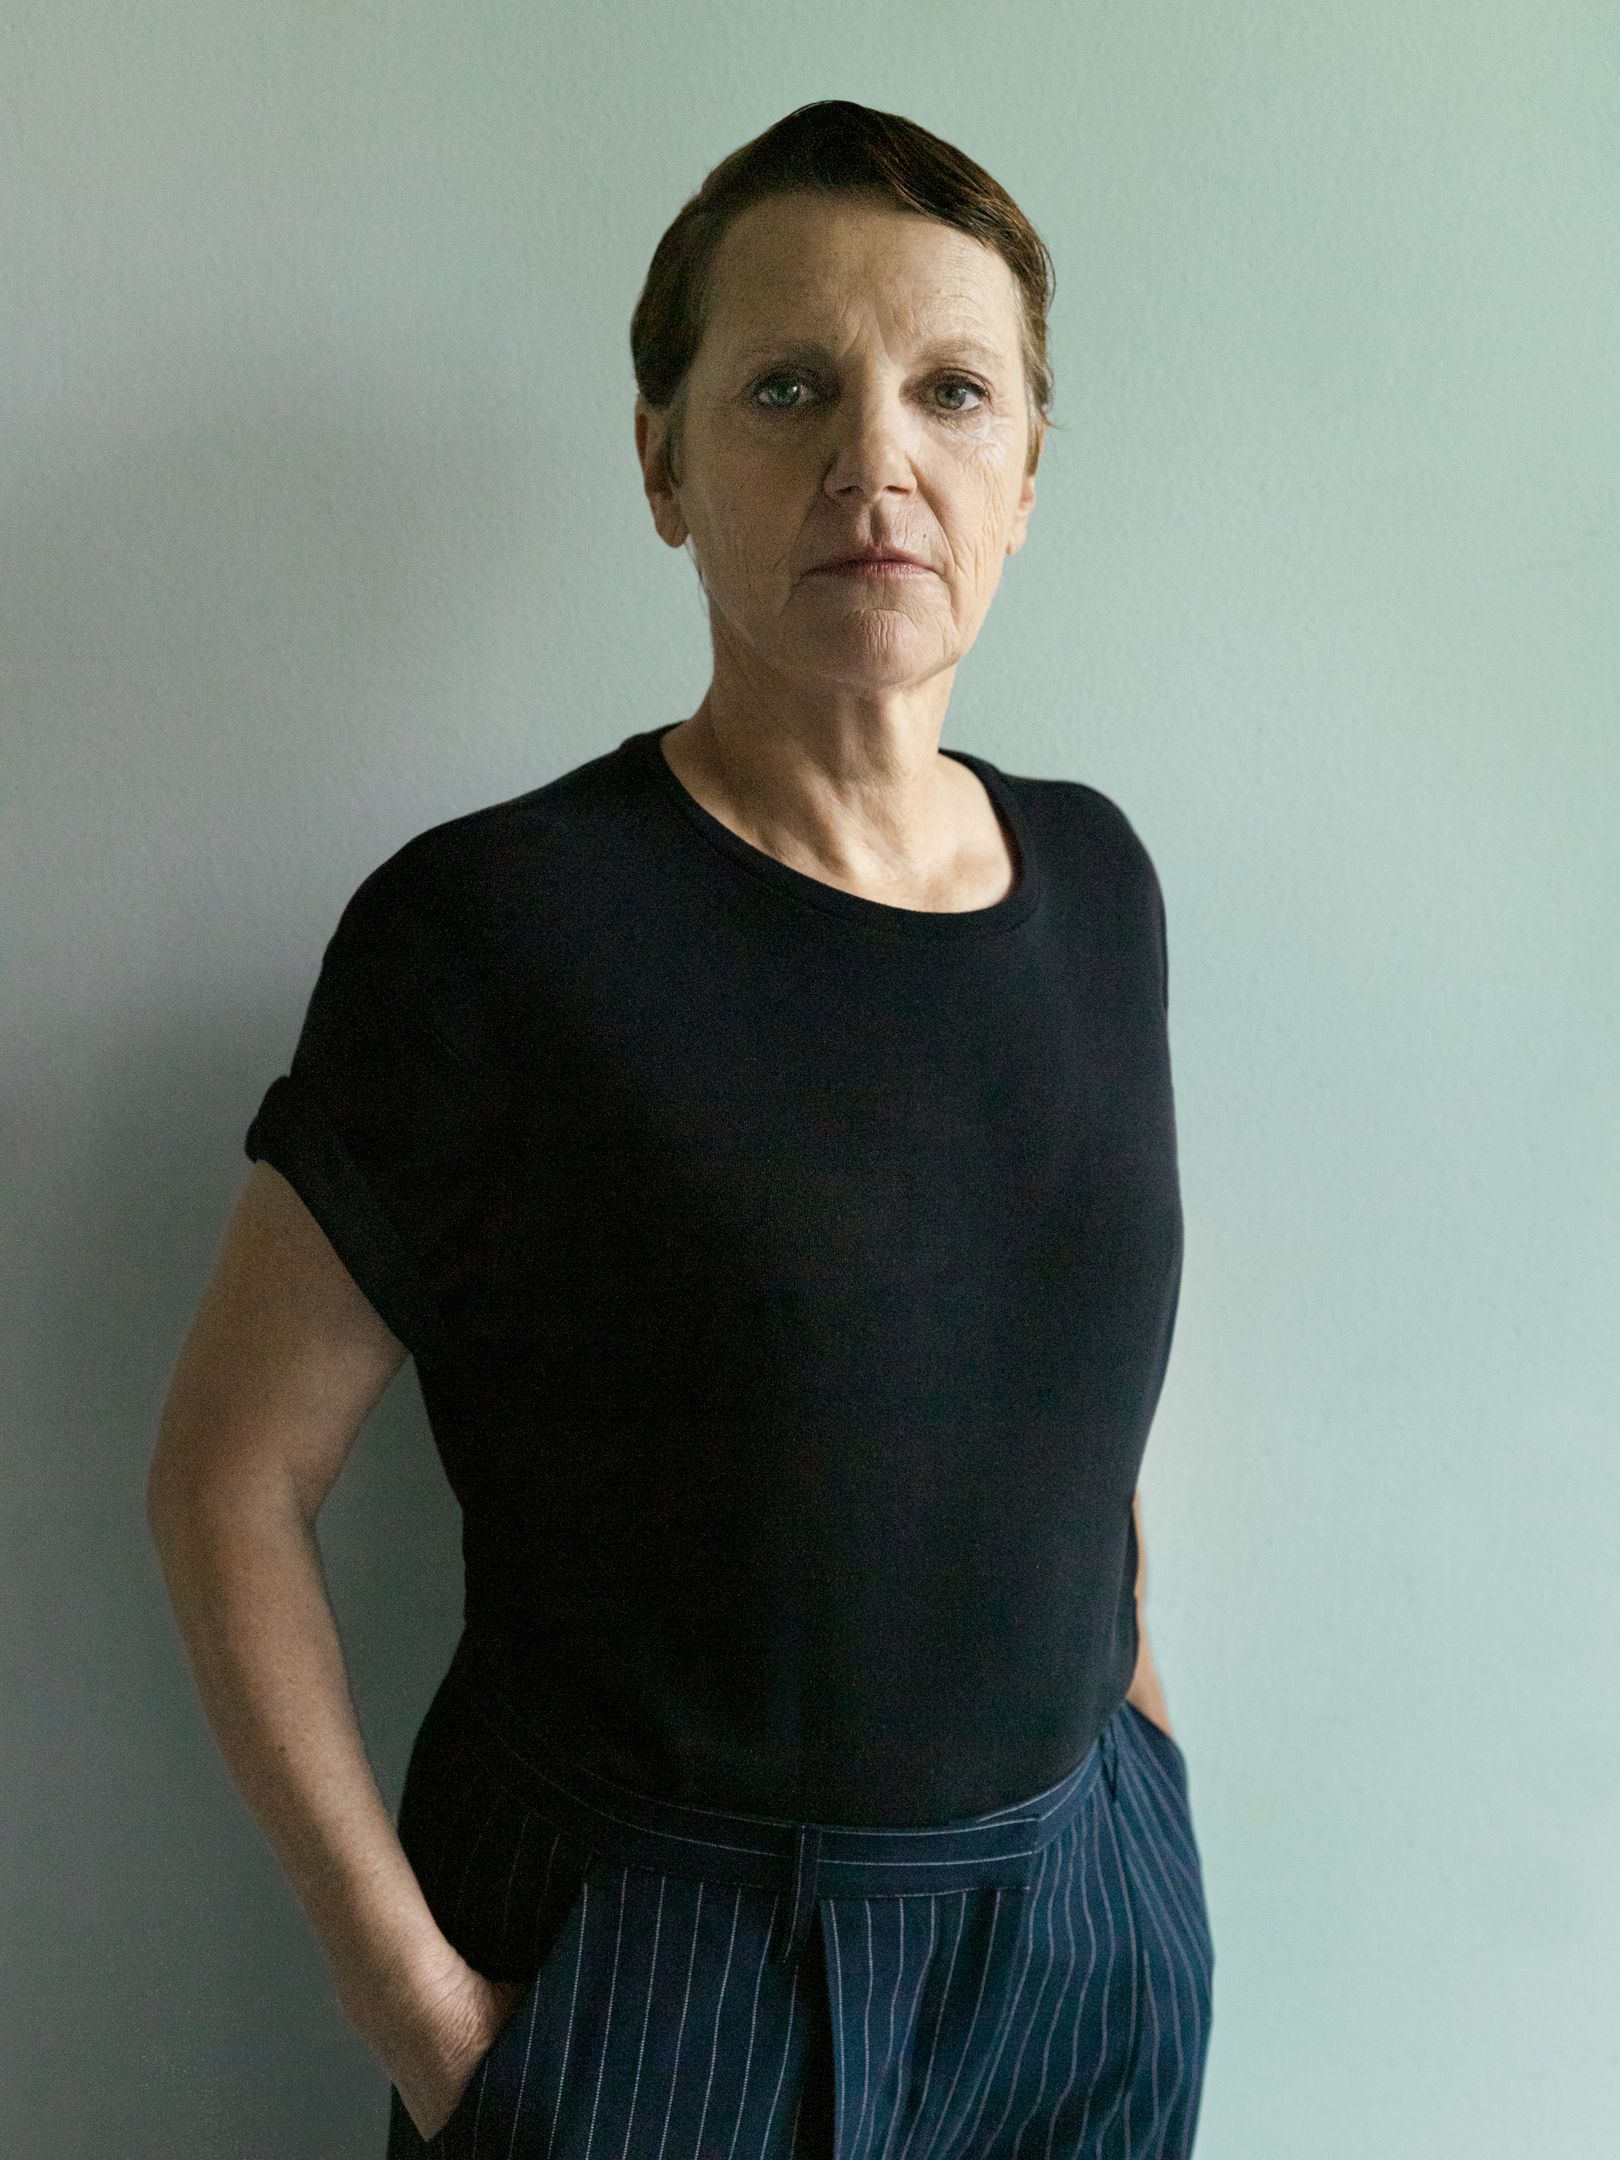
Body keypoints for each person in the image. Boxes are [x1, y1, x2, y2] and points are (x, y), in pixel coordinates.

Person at [147, 99, 1214, 2159]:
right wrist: (424, 2017)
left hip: (1083, 1946)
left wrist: (1139, 1779)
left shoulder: (1102, 885)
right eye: (790, 387)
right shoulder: (499, 928)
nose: (875, 462)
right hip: (658, 1977)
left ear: (1025, 476)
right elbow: (225, 1477)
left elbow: (1069, 1390)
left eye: (951, 392)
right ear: (662, 461)